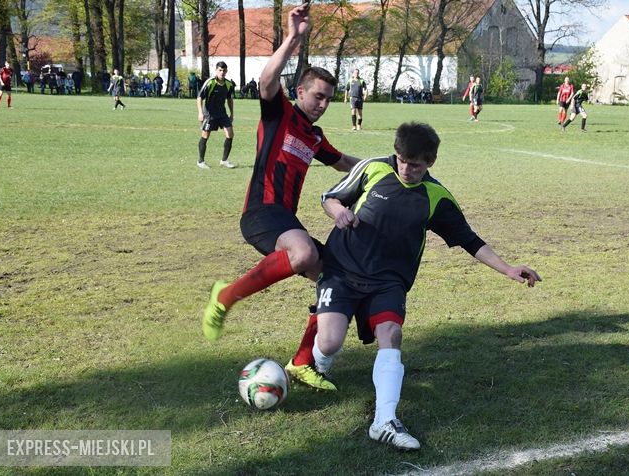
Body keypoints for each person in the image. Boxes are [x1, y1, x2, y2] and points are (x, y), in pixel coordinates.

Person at [303, 122, 541, 450]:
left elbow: (469, 240)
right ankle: (318, 364)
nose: (407, 168)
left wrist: (508, 268)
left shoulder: (436, 196)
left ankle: (384, 421)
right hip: (342, 270)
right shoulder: (373, 169)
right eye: (402, 160)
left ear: (431, 162)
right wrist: (339, 212)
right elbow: (330, 197)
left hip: (388, 281)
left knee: (392, 334)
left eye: (416, 164)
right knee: (329, 342)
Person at [201, 2, 361, 392]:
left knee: (338, 278)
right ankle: (225, 295)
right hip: (261, 212)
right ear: (300, 91)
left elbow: (344, 164)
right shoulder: (280, 114)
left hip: (285, 220)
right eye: (317, 96)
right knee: (304, 254)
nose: (322, 105)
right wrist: (292, 37)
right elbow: (266, 81)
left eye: (327, 99)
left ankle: (303, 362)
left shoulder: (315, 136)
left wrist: (390, 167)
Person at [195, 61, 237, 169]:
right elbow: (199, 97)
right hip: (209, 114)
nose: (222, 72)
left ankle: (224, 160)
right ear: (216, 70)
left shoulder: (228, 84)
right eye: (220, 70)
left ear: (226, 71)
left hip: (222, 113)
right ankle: (200, 161)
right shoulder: (210, 82)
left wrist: (232, 113)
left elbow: (229, 99)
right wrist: (200, 113)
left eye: (224, 70)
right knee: (205, 136)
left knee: (230, 134)